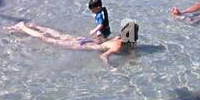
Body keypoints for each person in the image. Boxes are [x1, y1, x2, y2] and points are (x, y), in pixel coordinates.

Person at [10, 18, 139, 62]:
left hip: (85, 40)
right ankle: (22, 27)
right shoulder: (118, 46)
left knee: (59, 35)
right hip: (83, 46)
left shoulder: (118, 38)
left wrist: (130, 52)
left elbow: (124, 46)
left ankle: (33, 25)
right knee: (45, 39)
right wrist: (111, 68)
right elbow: (103, 56)